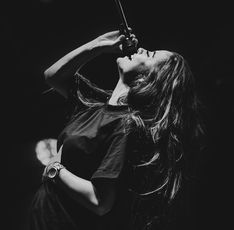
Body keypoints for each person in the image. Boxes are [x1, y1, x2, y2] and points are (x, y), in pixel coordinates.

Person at [28, 29, 203, 230]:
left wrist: (54, 170)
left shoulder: (127, 126)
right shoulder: (95, 104)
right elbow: (53, 76)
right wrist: (100, 44)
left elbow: (100, 202)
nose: (142, 49)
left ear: (151, 79)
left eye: (150, 55)